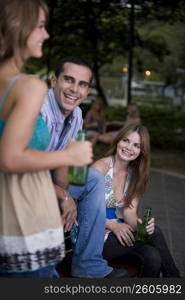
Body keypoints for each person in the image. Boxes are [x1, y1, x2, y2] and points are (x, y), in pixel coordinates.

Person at [0, 0, 93, 278]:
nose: (46, 34)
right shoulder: (29, 86)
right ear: (20, 27)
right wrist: (70, 156)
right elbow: (10, 157)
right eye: (40, 26)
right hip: (21, 220)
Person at [41, 56, 128, 278]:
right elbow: (22, 168)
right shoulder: (40, 110)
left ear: (88, 91)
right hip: (22, 179)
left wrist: (71, 198)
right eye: (68, 80)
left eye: (82, 84)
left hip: (49, 177)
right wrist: (63, 196)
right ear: (54, 81)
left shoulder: (77, 115)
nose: (74, 89)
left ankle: (88, 265)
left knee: (94, 179)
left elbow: (66, 163)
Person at [91, 124, 180, 277]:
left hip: (116, 234)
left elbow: (129, 212)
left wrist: (140, 226)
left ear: (141, 151)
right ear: (118, 141)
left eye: (136, 145)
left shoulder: (135, 175)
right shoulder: (100, 168)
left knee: (153, 256)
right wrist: (112, 225)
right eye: (126, 141)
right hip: (92, 235)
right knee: (156, 234)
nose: (129, 147)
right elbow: (83, 209)